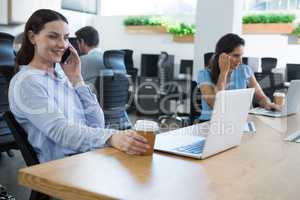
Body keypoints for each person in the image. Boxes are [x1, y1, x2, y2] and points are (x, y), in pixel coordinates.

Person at [9, 9, 149, 163]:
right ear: (32, 37)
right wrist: (110, 137)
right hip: (62, 167)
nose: (62, 44)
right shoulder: (26, 82)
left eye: (66, 37)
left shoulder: (62, 76)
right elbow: (61, 132)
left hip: (87, 158)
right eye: (53, 36)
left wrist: (77, 78)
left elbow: (96, 123)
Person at [197, 33, 279, 121]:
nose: (240, 61)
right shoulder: (204, 74)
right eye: (236, 56)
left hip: (238, 122)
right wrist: (223, 73)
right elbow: (215, 104)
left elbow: (260, 97)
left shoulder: (245, 70)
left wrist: (268, 103)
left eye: (241, 56)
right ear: (222, 56)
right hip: (210, 123)